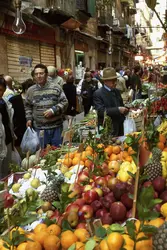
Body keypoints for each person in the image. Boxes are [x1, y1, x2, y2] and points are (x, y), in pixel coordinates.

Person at [25, 64, 68, 147]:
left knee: (57, 152)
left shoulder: (56, 88)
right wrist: (29, 118)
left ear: (46, 74)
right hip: (39, 129)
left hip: (56, 128)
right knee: (42, 154)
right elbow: (28, 106)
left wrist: (53, 110)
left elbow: (65, 102)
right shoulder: (31, 91)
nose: (39, 76)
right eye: (36, 74)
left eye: (41, 73)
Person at [93, 67, 129, 137]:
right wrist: (118, 110)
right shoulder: (98, 93)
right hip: (108, 129)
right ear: (105, 81)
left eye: (116, 80)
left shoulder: (116, 91)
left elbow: (120, 105)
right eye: (112, 80)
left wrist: (126, 109)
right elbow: (101, 111)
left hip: (120, 128)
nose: (115, 82)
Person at [0, 77, 15, 179]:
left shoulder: (6, 103)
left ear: (5, 90)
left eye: (0, 90)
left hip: (7, 140)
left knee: (6, 171)